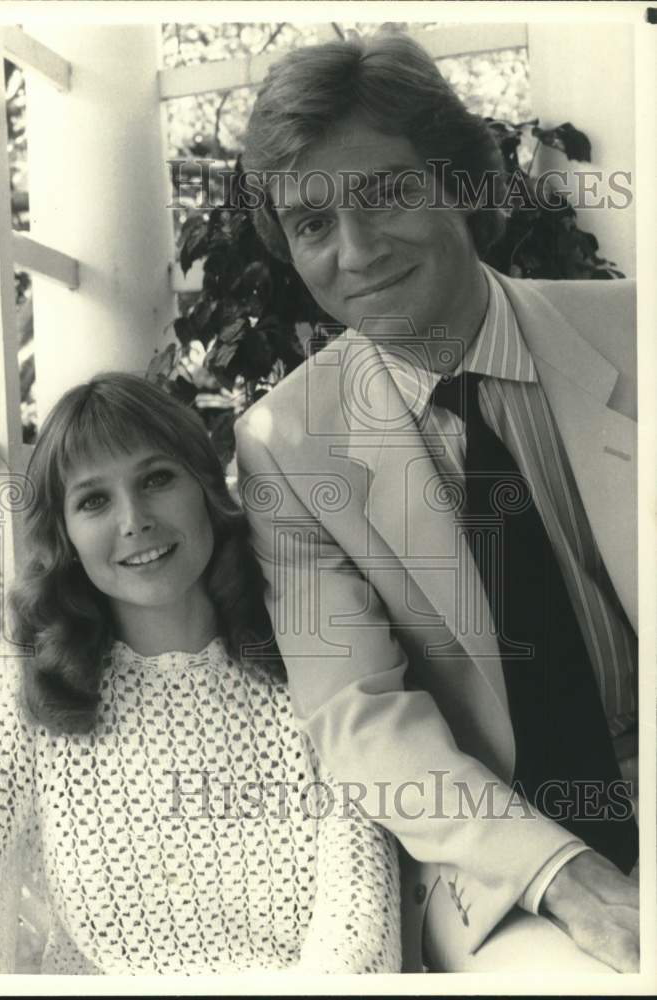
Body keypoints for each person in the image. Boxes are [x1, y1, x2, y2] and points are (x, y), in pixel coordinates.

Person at [234, 35, 639, 973]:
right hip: (508, 861)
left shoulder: (639, 336)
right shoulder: (284, 449)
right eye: (312, 225)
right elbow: (358, 717)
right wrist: (565, 872)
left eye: (384, 195)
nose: (357, 251)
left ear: (462, 184)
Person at [0, 372, 401, 975]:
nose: (134, 519)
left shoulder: (311, 651)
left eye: (156, 479)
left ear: (204, 486)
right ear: (64, 534)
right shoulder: (22, 679)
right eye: (94, 500)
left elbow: (360, 924)